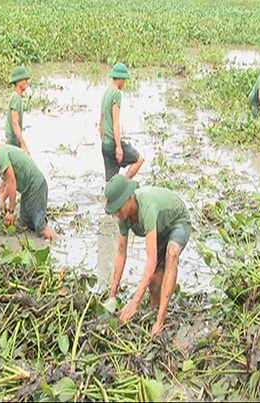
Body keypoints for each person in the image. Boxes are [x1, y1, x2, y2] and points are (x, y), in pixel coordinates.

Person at [104, 174, 192, 337]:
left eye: (119, 209)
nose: (117, 214)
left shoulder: (147, 208)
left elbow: (150, 261)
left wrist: (135, 301)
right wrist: (112, 295)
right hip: (159, 230)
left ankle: (159, 322)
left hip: (177, 222)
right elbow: (121, 253)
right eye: (114, 211)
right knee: (153, 284)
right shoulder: (123, 217)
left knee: (171, 254)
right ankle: (153, 311)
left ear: (130, 198)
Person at [0, 126, 56, 240]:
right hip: (28, 190)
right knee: (24, 224)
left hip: (35, 187)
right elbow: (9, 181)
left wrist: (11, 211)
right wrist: (3, 198)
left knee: (40, 226)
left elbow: (12, 182)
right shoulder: (2, 151)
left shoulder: (2, 155)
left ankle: (56, 241)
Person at [99, 62, 144, 182]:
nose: (124, 83)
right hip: (113, 144)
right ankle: (123, 185)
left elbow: (101, 121)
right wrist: (118, 147)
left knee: (109, 182)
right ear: (120, 78)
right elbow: (115, 121)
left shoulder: (106, 93)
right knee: (139, 160)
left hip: (105, 144)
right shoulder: (116, 94)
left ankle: (111, 194)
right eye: (124, 80)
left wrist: (104, 141)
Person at [5, 66, 31, 153]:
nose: (27, 82)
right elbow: (15, 123)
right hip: (12, 144)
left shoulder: (16, 97)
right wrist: (23, 144)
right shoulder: (16, 98)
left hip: (14, 143)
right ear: (18, 82)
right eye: (25, 79)